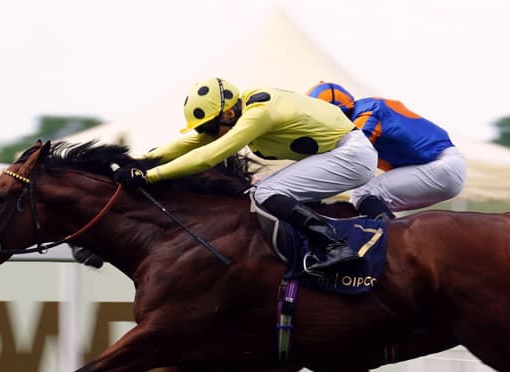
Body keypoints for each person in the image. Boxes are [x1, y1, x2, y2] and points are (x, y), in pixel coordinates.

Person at [113, 77, 378, 272]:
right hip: (340, 153)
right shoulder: (238, 110)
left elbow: (209, 155)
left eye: (210, 126)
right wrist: (138, 161)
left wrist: (151, 176)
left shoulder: (258, 114)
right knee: (260, 192)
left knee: (266, 192)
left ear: (228, 113)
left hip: (351, 155)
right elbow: (190, 143)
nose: (207, 133)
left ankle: (336, 246)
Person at [306, 82, 466, 219]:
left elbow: (346, 157)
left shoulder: (367, 113)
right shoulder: (366, 109)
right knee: (367, 203)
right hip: (440, 166)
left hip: (442, 166)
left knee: (363, 194)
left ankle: (390, 246)